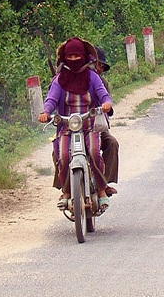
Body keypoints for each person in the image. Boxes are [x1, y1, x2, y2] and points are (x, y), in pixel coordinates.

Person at [38, 37, 114, 212]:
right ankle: (66, 191)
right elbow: (51, 98)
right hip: (67, 126)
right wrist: (46, 112)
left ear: (83, 56)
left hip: (90, 125)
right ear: (65, 58)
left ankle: (102, 190)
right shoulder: (60, 79)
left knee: (95, 152)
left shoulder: (93, 77)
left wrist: (106, 103)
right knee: (63, 156)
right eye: (69, 57)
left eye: (76, 56)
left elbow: (103, 94)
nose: (73, 60)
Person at [94, 47, 120, 196]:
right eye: (96, 64)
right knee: (58, 150)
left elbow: (107, 101)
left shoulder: (101, 82)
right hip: (75, 126)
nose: (99, 69)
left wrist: (106, 106)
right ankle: (66, 188)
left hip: (97, 125)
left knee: (111, 143)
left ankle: (105, 182)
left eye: (101, 66)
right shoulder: (69, 80)